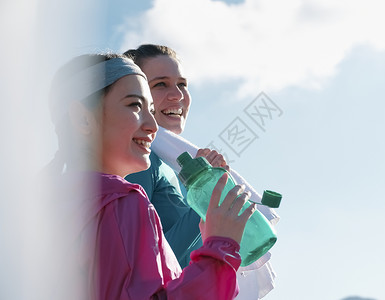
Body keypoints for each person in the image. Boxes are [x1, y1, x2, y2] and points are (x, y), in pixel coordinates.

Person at [44, 53, 256, 299]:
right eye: (134, 105)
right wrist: (219, 248)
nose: (152, 125)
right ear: (82, 118)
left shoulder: (40, 206)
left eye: (151, 109)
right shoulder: (121, 200)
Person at [124, 44, 279, 299]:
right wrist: (209, 200)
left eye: (182, 84)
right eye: (161, 84)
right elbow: (147, 265)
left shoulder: (176, 167)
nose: (177, 95)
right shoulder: (142, 163)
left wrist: (206, 184)